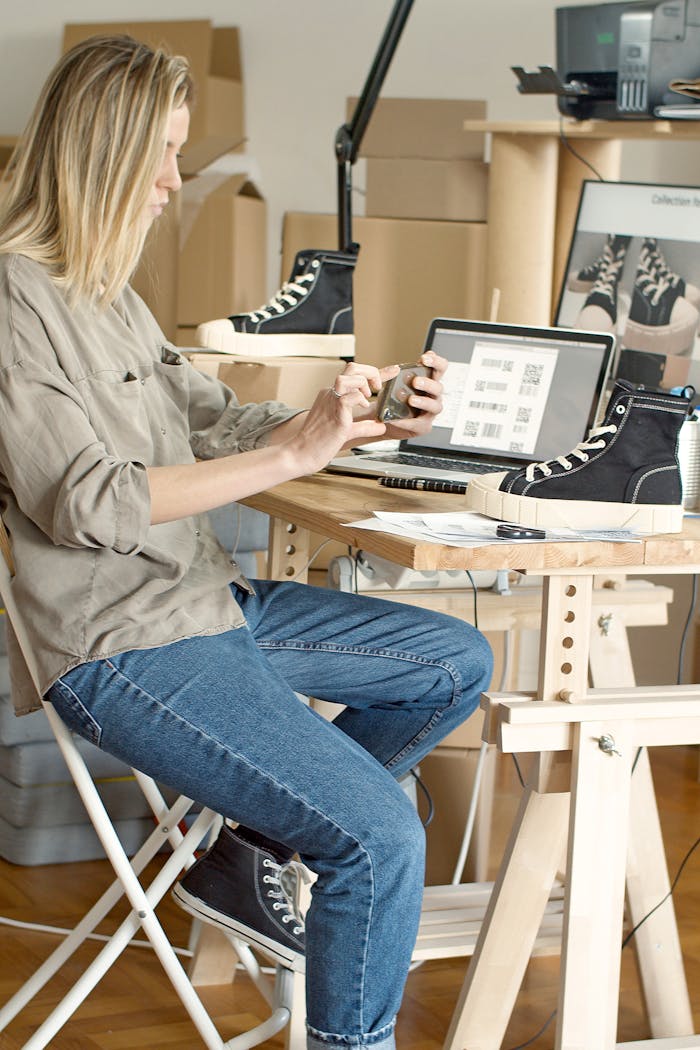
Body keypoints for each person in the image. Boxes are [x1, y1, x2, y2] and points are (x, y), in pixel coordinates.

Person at [0, 35, 493, 1050]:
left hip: (207, 605)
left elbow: (215, 421)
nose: (172, 183)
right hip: (123, 648)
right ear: (101, 155)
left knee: (453, 661)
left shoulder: (109, 295)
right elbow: (85, 501)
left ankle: (245, 852)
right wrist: (293, 454)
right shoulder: (15, 299)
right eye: (162, 156)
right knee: (377, 837)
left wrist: (354, 419)